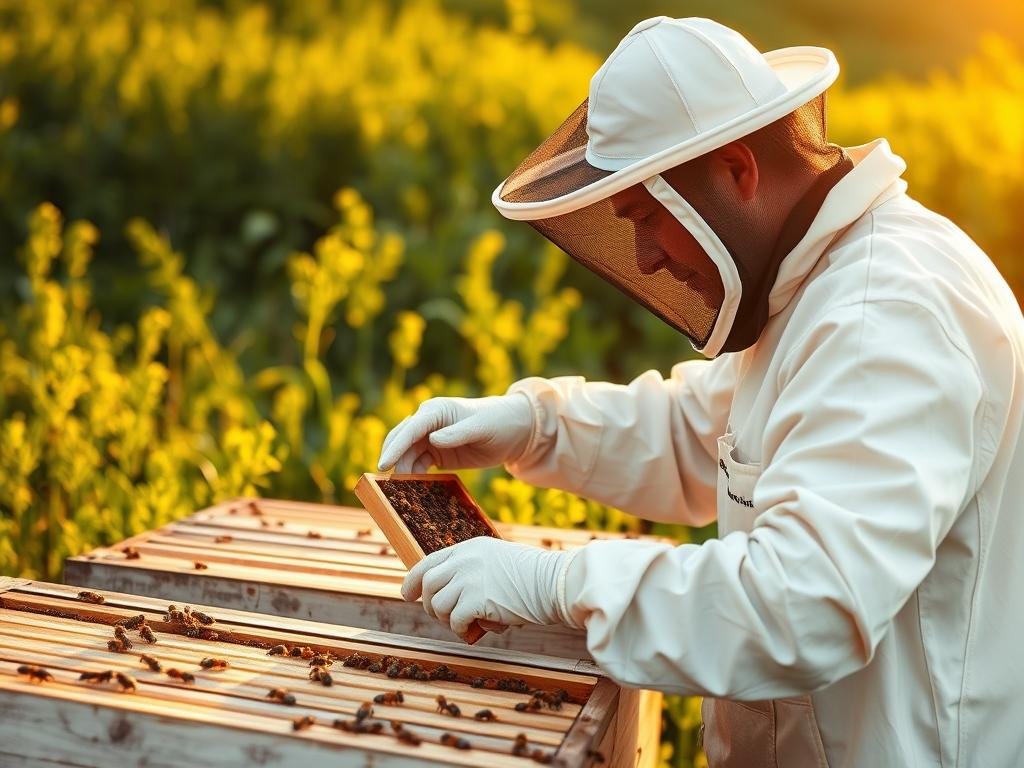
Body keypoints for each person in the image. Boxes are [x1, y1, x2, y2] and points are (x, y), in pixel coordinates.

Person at [377, 16, 1024, 767]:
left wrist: (557, 582)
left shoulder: (888, 313)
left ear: (738, 172)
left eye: (649, 218)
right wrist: (535, 426)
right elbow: (704, 434)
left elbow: (803, 606)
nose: (647, 258)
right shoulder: (818, 285)